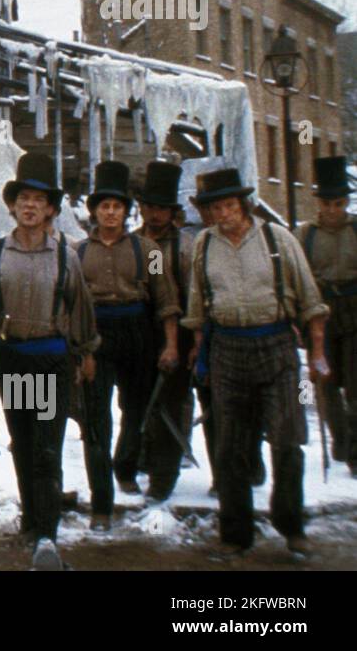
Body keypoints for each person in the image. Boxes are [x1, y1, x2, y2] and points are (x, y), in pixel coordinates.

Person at [0, 152, 98, 570]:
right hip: (13, 360)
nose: (30, 206)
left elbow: (81, 307)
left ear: (51, 208)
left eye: (39, 200)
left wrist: (86, 353)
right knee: (24, 445)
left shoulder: (65, 255)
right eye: (23, 199)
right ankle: (32, 520)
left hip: (51, 363)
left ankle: (47, 537)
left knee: (48, 448)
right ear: (13, 205)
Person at [184, 167, 329, 556]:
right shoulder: (204, 245)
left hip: (278, 348)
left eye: (229, 205)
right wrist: (200, 350)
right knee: (230, 446)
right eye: (214, 208)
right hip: (228, 351)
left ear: (244, 204)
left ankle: (291, 526)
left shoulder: (277, 239)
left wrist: (316, 353)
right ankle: (235, 534)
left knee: (288, 438)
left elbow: (312, 300)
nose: (223, 214)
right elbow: (198, 305)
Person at [74, 161, 179, 529]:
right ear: (94, 211)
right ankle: (101, 505)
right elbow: (69, 306)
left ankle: (126, 465)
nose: (111, 212)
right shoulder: (77, 253)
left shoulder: (147, 250)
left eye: (117, 206)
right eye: (104, 206)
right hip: (96, 335)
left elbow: (165, 300)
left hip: (138, 332)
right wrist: (80, 351)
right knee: (96, 420)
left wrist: (169, 345)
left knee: (136, 412)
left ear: (126, 210)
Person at [134, 160, 199, 500]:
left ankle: (164, 477)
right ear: (142, 208)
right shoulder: (131, 243)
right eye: (150, 207)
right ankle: (143, 459)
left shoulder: (186, 248)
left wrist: (189, 341)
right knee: (140, 401)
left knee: (171, 404)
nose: (155, 214)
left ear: (172, 212)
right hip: (138, 333)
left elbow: (195, 297)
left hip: (177, 332)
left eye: (162, 208)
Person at [295, 155, 355, 476]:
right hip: (320, 316)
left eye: (339, 203)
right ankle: (341, 443)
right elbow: (296, 277)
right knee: (326, 382)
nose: (333, 210)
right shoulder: (305, 234)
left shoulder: (356, 229)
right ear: (318, 202)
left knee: (356, 383)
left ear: (346, 202)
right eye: (327, 203)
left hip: (355, 311)